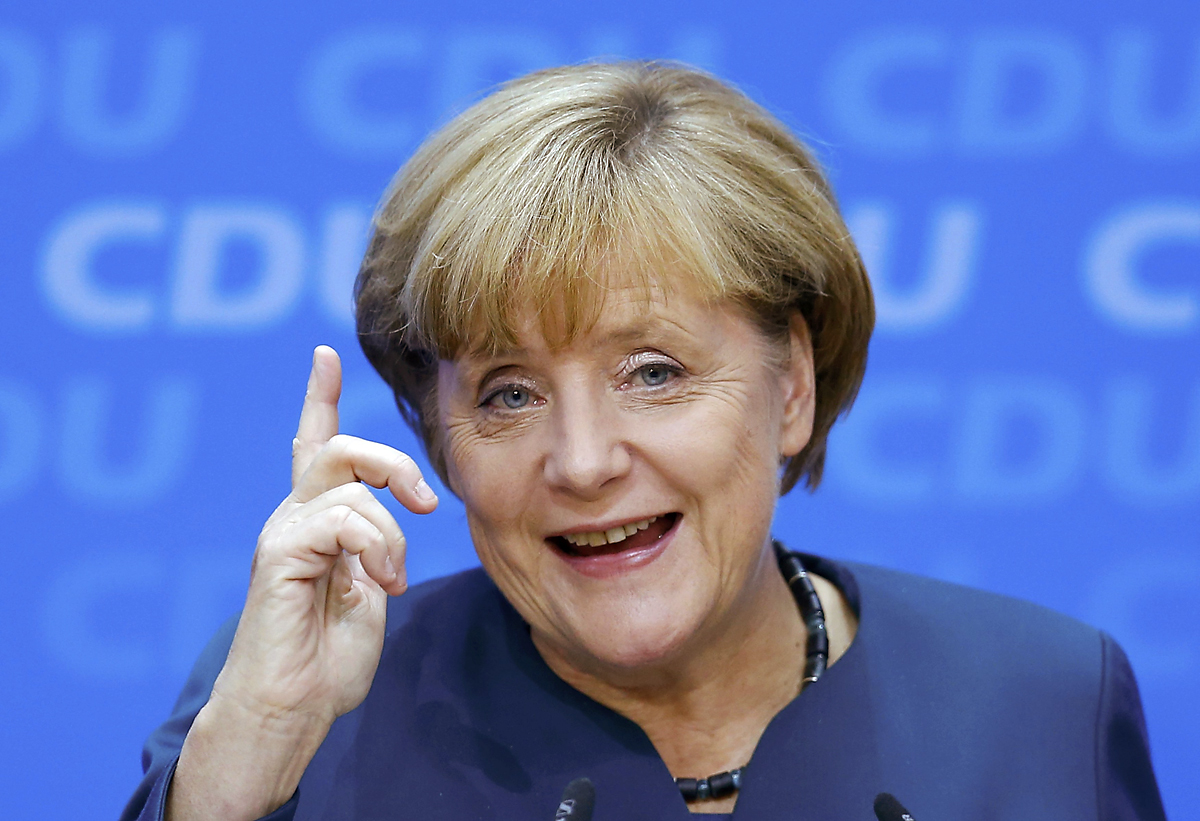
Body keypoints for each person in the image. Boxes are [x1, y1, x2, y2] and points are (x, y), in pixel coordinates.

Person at [121, 62, 1165, 821]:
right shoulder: (304, 708)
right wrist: (242, 777)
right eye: (509, 393)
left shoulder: (1042, 697)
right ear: (434, 440)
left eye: (653, 372)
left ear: (791, 385)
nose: (582, 460)